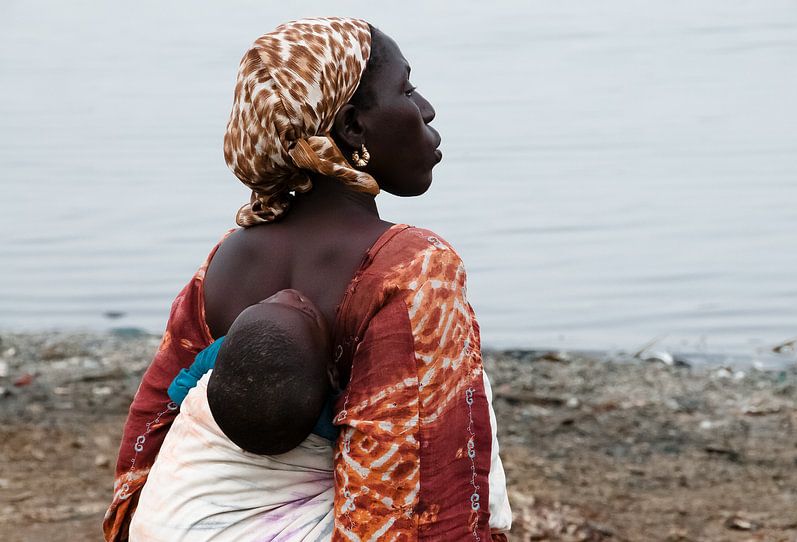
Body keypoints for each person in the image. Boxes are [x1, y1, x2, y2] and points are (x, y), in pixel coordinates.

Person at [104, 16, 512, 541]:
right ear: (352, 128)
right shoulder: (411, 265)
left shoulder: (227, 258)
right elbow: (410, 477)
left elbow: (159, 416)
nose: (426, 108)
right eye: (405, 89)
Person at [129, 290, 341, 540]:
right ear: (330, 374)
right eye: (265, 301)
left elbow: (178, 393)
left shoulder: (218, 353)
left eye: (305, 311)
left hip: (157, 529)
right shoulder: (329, 412)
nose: (289, 295)